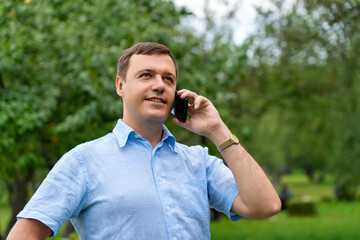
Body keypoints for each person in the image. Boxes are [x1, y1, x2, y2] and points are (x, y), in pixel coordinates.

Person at [7, 42, 281, 240]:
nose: (160, 84)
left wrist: (218, 130)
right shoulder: (83, 161)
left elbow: (265, 206)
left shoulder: (198, 162)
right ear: (120, 86)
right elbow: (25, 234)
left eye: (168, 79)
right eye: (146, 75)